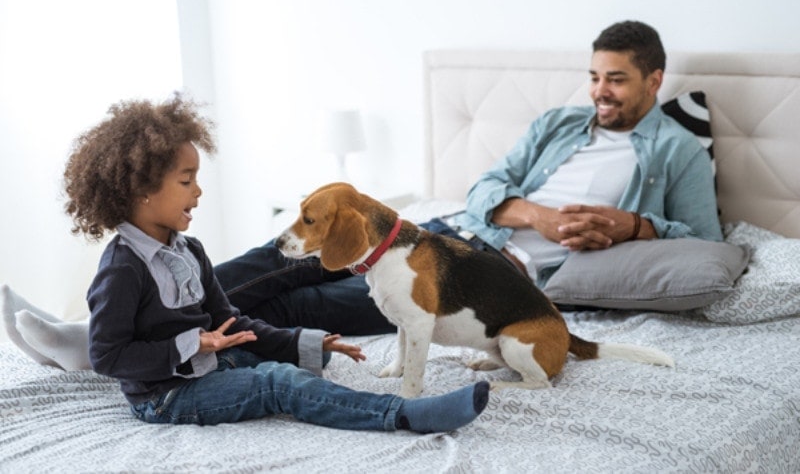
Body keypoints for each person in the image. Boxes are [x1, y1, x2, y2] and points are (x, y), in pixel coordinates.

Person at [3, 20, 721, 371]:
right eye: (595, 76)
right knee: (279, 257)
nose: (599, 91)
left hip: (504, 280)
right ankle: (131, 334)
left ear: (654, 82)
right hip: (448, 239)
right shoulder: (558, 124)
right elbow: (484, 188)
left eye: (617, 80)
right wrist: (531, 211)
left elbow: (704, 239)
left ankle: (128, 344)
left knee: (294, 300)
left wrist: (631, 226)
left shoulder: (676, 149)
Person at [10, 94, 489, 432]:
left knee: (287, 360)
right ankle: (401, 415)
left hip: (207, 363)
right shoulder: (121, 270)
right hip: (164, 395)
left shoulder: (188, 249)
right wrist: (190, 342)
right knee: (279, 384)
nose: (199, 191)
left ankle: (310, 358)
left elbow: (231, 321)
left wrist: (307, 343)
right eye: (186, 180)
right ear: (141, 189)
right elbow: (111, 357)